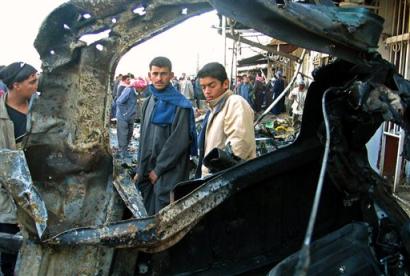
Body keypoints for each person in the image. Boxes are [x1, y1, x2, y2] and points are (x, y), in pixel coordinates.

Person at [136, 56, 197, 215]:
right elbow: (143, 139)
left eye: (163, 74)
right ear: (149, 75)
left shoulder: (181, 105)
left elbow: (179, 142)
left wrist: (158, 169)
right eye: (155, 73)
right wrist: (140, 169)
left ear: (171, 75)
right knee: (148, 211)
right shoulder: (148, 102)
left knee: (166, 212)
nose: (159, 78)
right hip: (148, 170)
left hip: (169, 171)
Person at [0, 62, 38, 276]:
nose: (36, 85)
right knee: (11, 257)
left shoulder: (41, 108)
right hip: (7, 201)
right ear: (16, 85)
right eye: (32, 82)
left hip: (38, 195)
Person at [196, 62, 256, 178]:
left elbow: (239, 147)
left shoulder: (235, 103)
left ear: (225, 84)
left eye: (211, 86)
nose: (207, 91)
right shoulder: (214, 107)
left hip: (225, 179)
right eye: (203, 87)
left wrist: (215, 176)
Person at [115, 80, 139, 158]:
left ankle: (123, 151)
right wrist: (125, 113)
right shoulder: (129, 90)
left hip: (130, 117)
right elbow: (119, 102)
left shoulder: (137, 93)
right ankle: (123, 153)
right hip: (123, 116)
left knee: (129, 133)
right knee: (123, 135)